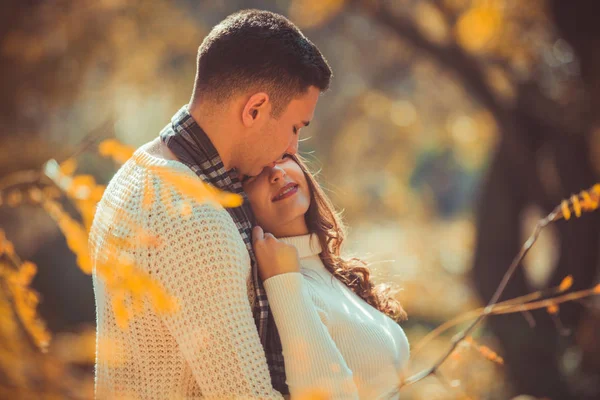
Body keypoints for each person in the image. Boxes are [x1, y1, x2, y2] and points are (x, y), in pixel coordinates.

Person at [89, 9, 332, 399]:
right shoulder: (194, 220)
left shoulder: (137, 171)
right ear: (254, 109)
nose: (291, 150)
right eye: (294, 128)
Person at [243, 153, 410, 399]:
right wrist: (282, 282)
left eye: (281, 157)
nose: (276, 173)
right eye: (253, 174)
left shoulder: (335, 274)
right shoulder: (282, 289)